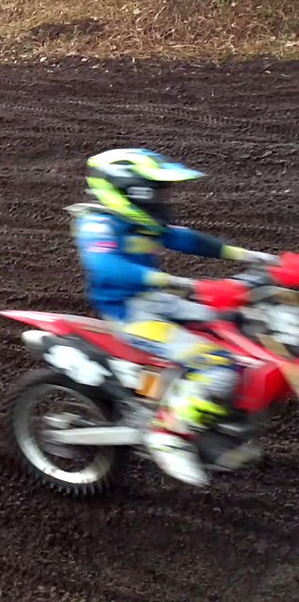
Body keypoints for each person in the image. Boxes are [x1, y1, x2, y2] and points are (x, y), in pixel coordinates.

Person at [72, 148, 279, 486]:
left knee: (235, 324)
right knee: (215, 364)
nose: (163, 198)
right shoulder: (98, 223)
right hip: (130, 315)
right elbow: (106, 267)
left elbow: (183, 238)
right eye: (156, 191)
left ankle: (213, 421)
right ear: (130, 191)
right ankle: (168, 433)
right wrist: (178, 281)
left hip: (159, 302)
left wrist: (251, 256)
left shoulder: (141, 221)